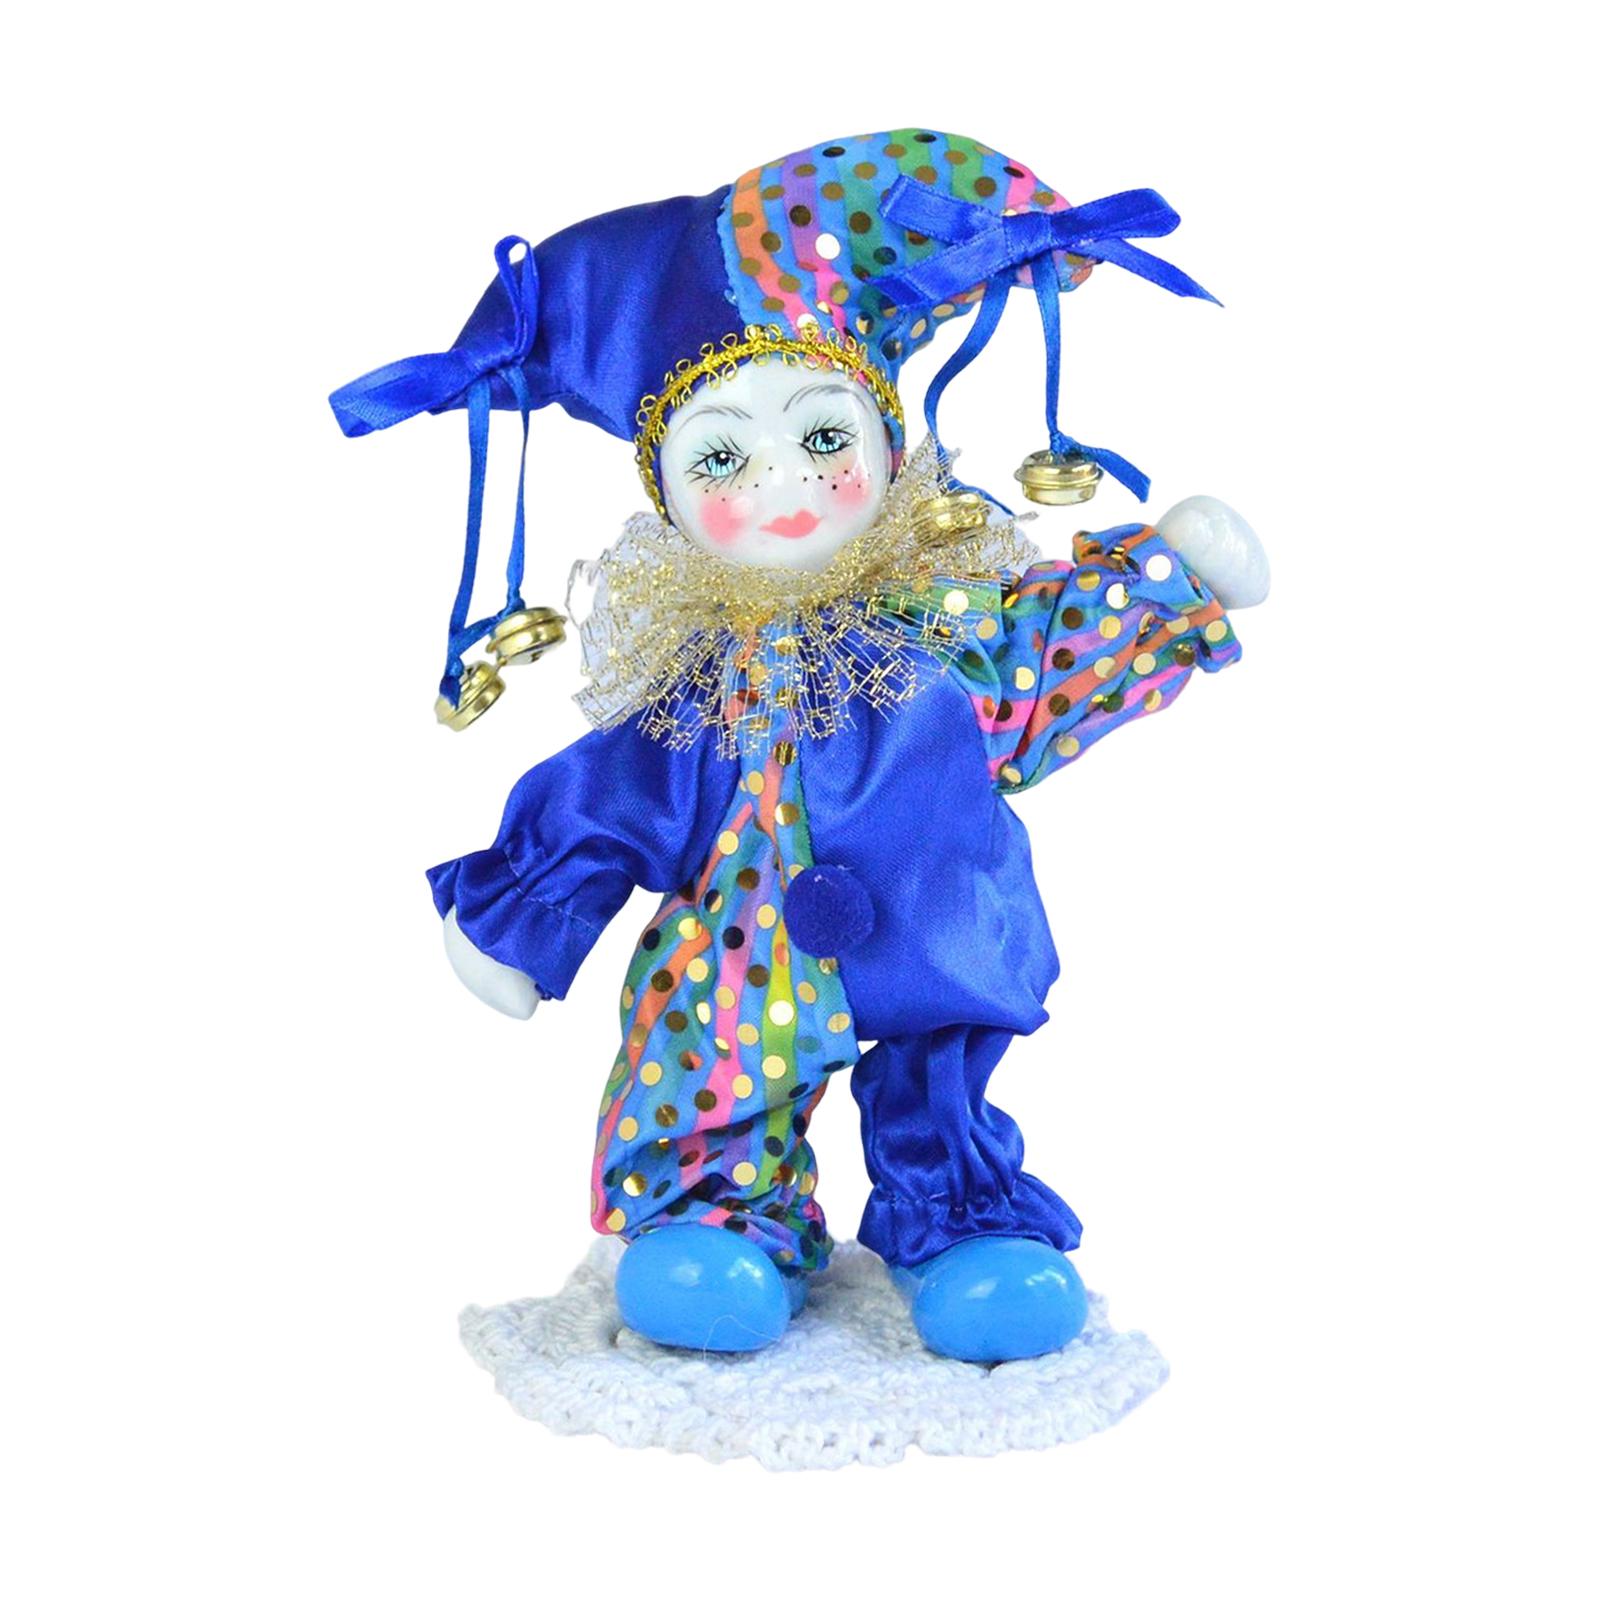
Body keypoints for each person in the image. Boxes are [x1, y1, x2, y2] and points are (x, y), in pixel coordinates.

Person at [331, 128, 1268, 1361]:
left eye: (823, 437)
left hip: (942, 923)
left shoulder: (946, 625)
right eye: (724, 455)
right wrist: (516, 920)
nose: (784, 482)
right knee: (717, 1063)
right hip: (744, 949)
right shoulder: (695, 683)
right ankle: (717, 1216)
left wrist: (1162, 580)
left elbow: (1042, 668)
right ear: (670, 491)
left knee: (943, 1071)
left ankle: (960, 1222)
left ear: (882, 443)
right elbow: (612, 798)